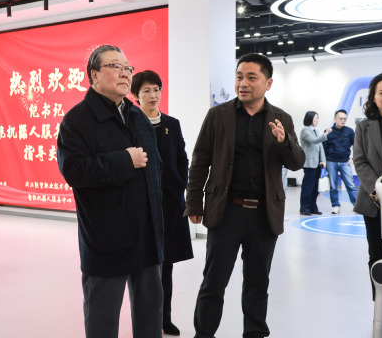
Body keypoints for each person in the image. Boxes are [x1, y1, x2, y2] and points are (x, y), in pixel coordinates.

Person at [184, 53, 305, 338]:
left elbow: (297, 162)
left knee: (257, 283)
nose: (243, 83)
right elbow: (200, 160)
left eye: (252, 77)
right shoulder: (218, 115)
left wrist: (284, 142)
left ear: (268, 83)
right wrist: (194, 202)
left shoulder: (281, 119)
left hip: (265, 214)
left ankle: (255, 333)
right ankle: (204, 334)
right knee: (213, 282)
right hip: (226, 210)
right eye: (239, 77)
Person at [57, 45, 164, 338]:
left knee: (150, 317)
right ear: (94, 75)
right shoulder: (77, 120)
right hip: (107, 238)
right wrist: (124, 161)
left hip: (146, 235)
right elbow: (73, 171)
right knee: (102, 320)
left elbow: (155, 170)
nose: (125, 73)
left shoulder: (137, 116)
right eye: (116, 66)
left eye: (127, 68)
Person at [130, 70, 193, 336]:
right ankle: (148, 322)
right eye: (146, 90)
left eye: (156, 89)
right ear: (136, 96)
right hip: (142, 206)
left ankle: (164, 319)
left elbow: (182, 159)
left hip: (169, 204)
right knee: (145, 268)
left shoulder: (171, 124)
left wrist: (178, 186)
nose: (153, 95)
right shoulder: (130, 124)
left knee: (166, 266)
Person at [353, 72, 382, 300]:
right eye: (381, 92)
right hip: (373, 200)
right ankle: (380, 301)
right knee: (376, 254)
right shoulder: (363, 127)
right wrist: (377, 189)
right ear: (373, 97)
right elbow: (359, 161)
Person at [323, 109, 359, 214]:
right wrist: (325, 160)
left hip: (345, 162)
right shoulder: (328, 131)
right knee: (333, 186)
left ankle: (357, 206)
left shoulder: (349, 131)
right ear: (335, 119)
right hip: (331, 162)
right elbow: (323, 147)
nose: (343, 120)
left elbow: (357, 145)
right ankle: (335, 206)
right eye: (340, 118)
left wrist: (353, 158)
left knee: (351, 185)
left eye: (344, 119)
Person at [299, 111, 330, 216]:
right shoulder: (305, 130)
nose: (317, 120)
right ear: (310, 118)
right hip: (309, 163)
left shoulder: (316, 131)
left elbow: (320, 147)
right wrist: (325, 133)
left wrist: (323, 160)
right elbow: (315, 141)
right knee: (308, 187)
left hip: (317, 163)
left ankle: (313, 207)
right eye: (316, 118)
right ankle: (304, 208)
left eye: (318, 118)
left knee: (315, 188)